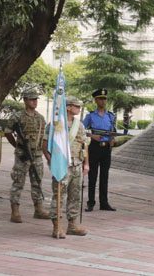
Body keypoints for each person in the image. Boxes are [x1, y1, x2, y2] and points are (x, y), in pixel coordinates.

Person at [43, 96, 89, 238]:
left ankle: (72, 225)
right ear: (68, 107)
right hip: (62, 166)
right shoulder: (56, 124)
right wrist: (52, 161)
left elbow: (84, 144)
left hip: (76, 164)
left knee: (75, 196)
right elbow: (45, 145)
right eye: (77, 106)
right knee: (59, 196)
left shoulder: (79, 125)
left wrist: (86, 163)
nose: (79, 109)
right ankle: (57, 226)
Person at [4, 89, 50, 223]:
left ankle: (39, 209)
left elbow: (42, 137)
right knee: (18, 182)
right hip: (23, 155)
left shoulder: (40, 118)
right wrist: (17, 146)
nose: (34, 102)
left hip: (36, 155)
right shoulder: (17, 117)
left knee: (37, 182)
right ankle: (15, 210)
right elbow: (7, 132)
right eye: (31, 99)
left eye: (36, 99)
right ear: (25, 100)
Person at [84, 88, 117, 212]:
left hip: (106, 148)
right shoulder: (90, 116)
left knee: (105, 176)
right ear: (96, 100)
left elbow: (113, 131)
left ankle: (104, 203)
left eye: (105, 99)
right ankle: (91, 202)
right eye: (101, 99)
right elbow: (81, 130)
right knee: (92, 176)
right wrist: (92, 136)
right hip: (94, 147)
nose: (103, 101)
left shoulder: (111, 116)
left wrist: (112, 139)